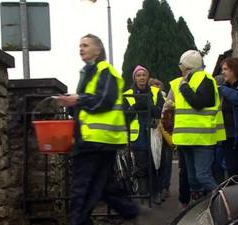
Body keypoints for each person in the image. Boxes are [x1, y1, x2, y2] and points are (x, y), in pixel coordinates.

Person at [55, 34, 138, 225]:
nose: (81, 49)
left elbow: (104, 101)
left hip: (97, 142)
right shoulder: (88, 72)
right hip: (93, 141)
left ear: (98, 50)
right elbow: (88, 104)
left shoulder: (105, 71)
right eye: (79, 45)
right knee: (102, 188)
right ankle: (134, 212)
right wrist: (72, 103)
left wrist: (78, 99)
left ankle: (132, 213)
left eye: (85, 45)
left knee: (82, 192)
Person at [170, 50, 226, 201]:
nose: (180, 69)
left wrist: (184, 89)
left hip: (201, 139)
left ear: (187, 67)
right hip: (186, 139)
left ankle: (225, 202)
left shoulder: (205, 80)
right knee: (193, 178)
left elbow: (199, 103)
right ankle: (198, 206)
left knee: (203, 176)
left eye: (182, 66)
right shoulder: (187, 80)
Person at [123, 65, 165, 205]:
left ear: (148, 77)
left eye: (144, 75)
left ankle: (155, 193)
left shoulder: (155, 91)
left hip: (153, 133)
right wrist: (134, 108)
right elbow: (124, 117)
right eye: (138, 75)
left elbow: (161, 111)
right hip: (138, 135)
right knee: (141, 166)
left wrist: (149, 105)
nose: (141, 77)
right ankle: (143, 195)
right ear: (134, 78)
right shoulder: (127, 94)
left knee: (155, 164)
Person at [149, 78, 173, 200]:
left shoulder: (167, 98)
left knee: (166, 161)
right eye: (153, 85)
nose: (156, 87)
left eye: (158, 85)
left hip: (166, 133)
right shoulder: (155, 97)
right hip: (155, 133)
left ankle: (165, 187)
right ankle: (158, 188)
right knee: (156, 161)